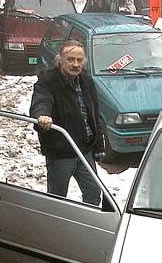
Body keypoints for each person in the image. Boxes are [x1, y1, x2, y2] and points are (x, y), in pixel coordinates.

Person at [30, 41, 105, 205]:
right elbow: (41, 101)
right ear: (60, 60)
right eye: (70, 59)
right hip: (61, 153)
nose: (75, 64)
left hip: (85, 151)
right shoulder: (48, 81)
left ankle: (87, 225)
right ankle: (56, 228)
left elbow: (95, 115)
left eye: (79, 60)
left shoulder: (86, 81)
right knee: (57, 199)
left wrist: (99, 146)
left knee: (93, 193)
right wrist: (42, 115)